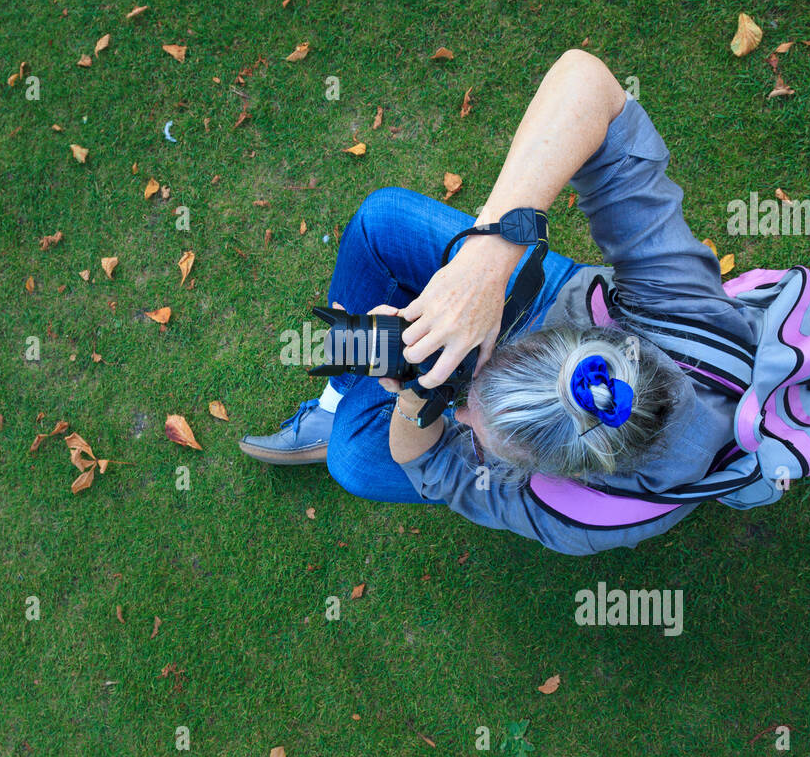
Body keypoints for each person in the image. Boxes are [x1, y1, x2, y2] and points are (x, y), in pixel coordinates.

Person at [239, 49, 758, 556]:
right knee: (383, 220)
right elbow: (586, 80)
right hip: (581, 309)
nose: (460, 415)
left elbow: (438, 467)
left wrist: (417, 398)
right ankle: (340, 398)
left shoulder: (583, 515)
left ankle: (341, 410)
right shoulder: (677, 309)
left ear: (544, 473)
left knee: (354, 460)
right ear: (570, 340)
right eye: (480, 375)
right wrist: (483, 266)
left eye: (466, 417)